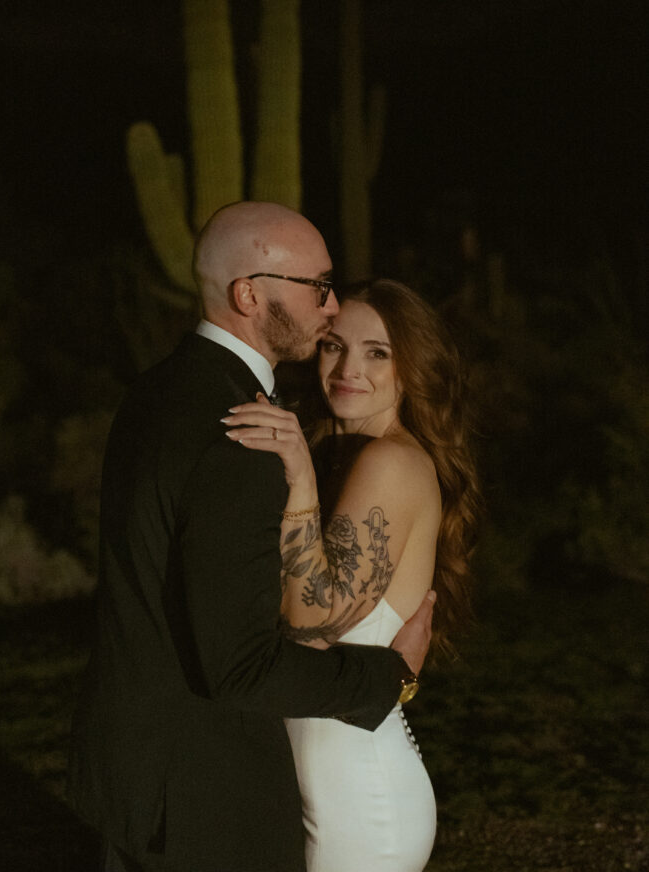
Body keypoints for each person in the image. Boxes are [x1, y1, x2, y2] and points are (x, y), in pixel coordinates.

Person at [68, 204, 436, 872]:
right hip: (201, 791)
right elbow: (241, 664)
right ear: (248, 294)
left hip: (141, 775)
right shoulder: (244, 434)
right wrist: (390, 673)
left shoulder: (155, 392)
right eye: (316, 288)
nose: (328, 308)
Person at [224, 278, 479, 872]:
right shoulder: (340, 453)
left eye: (378, 353)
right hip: (317, 787)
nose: (347, 368)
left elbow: (313, 623)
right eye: (334, 345)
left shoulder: (389, 462)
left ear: (413, 370)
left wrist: (301, 481)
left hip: (361, 803)